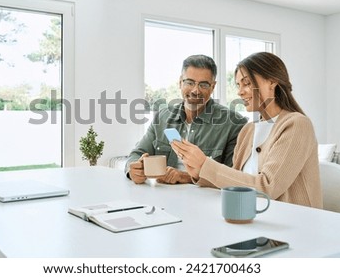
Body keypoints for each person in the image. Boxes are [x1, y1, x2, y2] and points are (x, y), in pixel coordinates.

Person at [171, 52, 322, 208]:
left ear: (272, 82)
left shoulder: (297, 125)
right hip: (251, 218)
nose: (240, 91)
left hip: (292, 224)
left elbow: (267, 187)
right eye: (238, 85)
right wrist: (198, 173)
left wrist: (205, 164)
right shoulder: (247, 130)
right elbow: (234, 181)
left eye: (247, 83)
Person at [125, 54, 247, 184]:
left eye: (204, 84)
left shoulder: (234, 123)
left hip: (207, 201)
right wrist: (133, 169)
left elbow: (233, 176)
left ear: (213, 87)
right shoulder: (162, 117)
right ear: (180, 82)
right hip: (162, 198)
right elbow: (136, 154)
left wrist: (186, 177)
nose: (195, 90)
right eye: (189, 82)